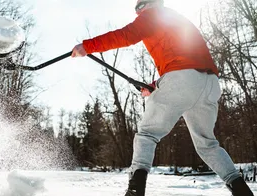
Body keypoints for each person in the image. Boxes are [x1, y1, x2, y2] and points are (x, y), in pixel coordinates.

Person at [71, 0, 255, 196]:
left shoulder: (153, 15)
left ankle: (134, 191)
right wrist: (155, 86)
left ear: (148, 5)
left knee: (147, 135)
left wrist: (87, 46)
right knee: (207, 144)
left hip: (182, 78)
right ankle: (241, 189)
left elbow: (126, 35)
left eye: (139, 8)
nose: (138, 13)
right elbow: (185, 62)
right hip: (209, 83)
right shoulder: (178, 19)